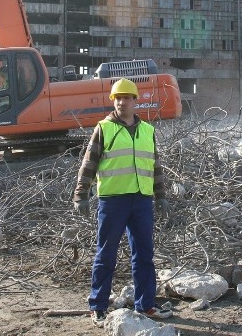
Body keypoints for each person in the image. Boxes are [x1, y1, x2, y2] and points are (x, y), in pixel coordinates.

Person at [73, 77, 172, 326]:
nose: (121, 102)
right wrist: (81, 194)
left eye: (126, 98)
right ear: (113, 101)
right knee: (106, 254)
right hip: (113, 200)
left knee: (144, 254)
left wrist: (160, 196)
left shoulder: (148, 131)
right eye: (117, 98)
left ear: (135, 100)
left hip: (141, 200)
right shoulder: (104, 129)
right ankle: (98, 306)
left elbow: (155, 166)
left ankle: (146, 305)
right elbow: (89, 164)